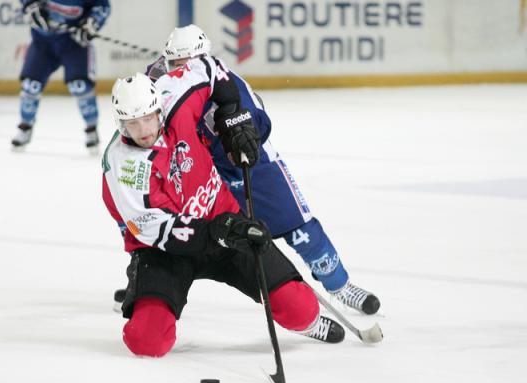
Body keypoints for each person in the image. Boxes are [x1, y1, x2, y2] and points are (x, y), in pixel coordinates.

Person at [117, 25, 381, 315]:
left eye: (189, 62)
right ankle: (142, 281)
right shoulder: (161, 77)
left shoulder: (229, 83)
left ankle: (339, 285)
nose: (183, 69)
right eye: (176, 64)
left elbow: (262, 123)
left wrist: (245, 132)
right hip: (204, 172)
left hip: (254, 169)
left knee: (300, 228)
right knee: (150, 215)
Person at [102, 72, 345, 357]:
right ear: (121, 124)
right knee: (148, 343)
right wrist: (219, 229)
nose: (143, 129)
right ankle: (142, 289)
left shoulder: (177, 106)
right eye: (132, 123)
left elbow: (211, 70)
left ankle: (307, 323)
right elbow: (159, 230)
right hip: (165, 251)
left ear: (159, 109)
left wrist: (233, 114)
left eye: (147, 118)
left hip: (228, 228)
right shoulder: (123, 167)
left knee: (300, 310)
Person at [11, 0, 110, 155]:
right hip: (42, 43)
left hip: (73, 44)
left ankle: (91, 128)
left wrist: (90, 24)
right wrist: (31, 6)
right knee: (31, 85)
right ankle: (25, 126)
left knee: (80, 86)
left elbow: (102, 6)